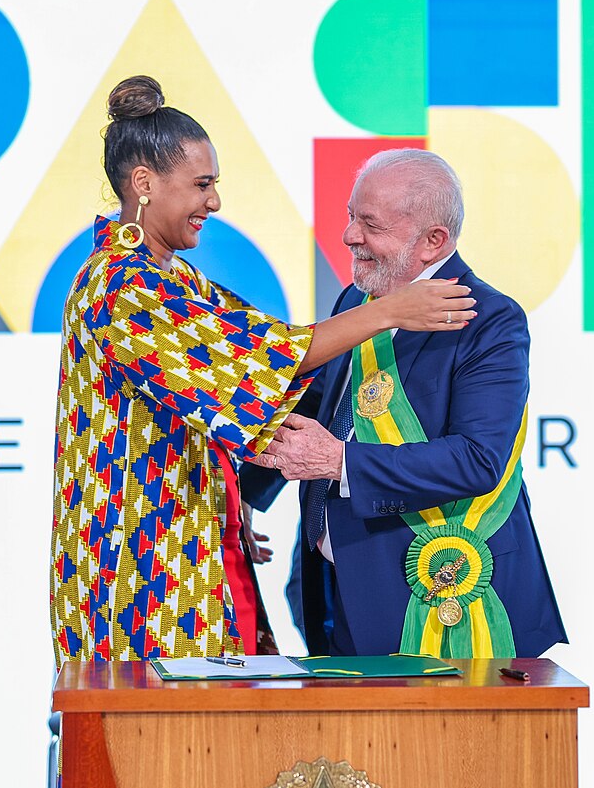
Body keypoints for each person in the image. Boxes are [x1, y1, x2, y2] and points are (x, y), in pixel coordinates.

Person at [50, 77, 477, 664]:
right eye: (202, 185)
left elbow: (263, 365)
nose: (215, 202)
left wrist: (233, 500)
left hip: (182, 543)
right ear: (144, 184)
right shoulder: (122, 285)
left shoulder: (172, 277)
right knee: (159, 744)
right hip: (137, 563)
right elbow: (269, 362)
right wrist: (390, 311)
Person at [242, 148, 565, 658]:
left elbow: (478, 460)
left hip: (430, 595)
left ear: (433, 241)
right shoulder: (357, 299)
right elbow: (316, 404)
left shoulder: (489, 320)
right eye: (350, 216)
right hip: (332, 583)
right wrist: (247, 494)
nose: (349, 236)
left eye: (369, 224)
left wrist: (338, 462)